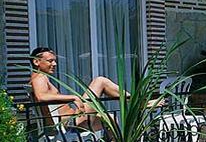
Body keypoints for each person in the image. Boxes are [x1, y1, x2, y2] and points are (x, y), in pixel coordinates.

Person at [29, 46, 160, 131]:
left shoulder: (41, 78)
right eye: (50, 61)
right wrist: (73, 97)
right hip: (72, 121)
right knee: (100, 81)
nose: (54, 64)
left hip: (73, 119)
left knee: (110, 118)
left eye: (54, 61)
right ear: (36, 62)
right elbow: (41, 97)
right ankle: (139, 103)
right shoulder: (39, 78)